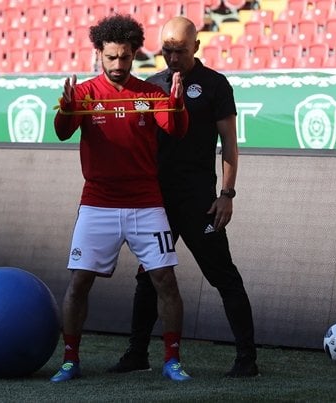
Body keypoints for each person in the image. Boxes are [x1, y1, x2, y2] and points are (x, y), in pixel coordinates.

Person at [108, 16, 259, 378]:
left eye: (180, 51)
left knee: (223, 276)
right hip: (156, 203)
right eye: (167, 51)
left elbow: (230, 146)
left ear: (196, 47)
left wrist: (227, 194)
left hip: (199, 203)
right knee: (148, 277)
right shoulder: (151, 85)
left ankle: (247, 359)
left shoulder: (215, 85)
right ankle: (137, 353)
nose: (173, 58)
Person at [50, 14, 192, 383]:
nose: (117, 65)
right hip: (98, 204)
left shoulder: (151, 94)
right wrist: (66, 108)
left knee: (166, 282)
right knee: (79, 283)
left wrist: (177, 104)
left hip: (147, 204)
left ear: (134, 56)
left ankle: (172, 360)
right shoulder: (83, 94)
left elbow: (175, 130)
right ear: (98, 53)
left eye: (124, 58)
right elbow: (63, 133)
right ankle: (70, 360)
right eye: (111, 57)